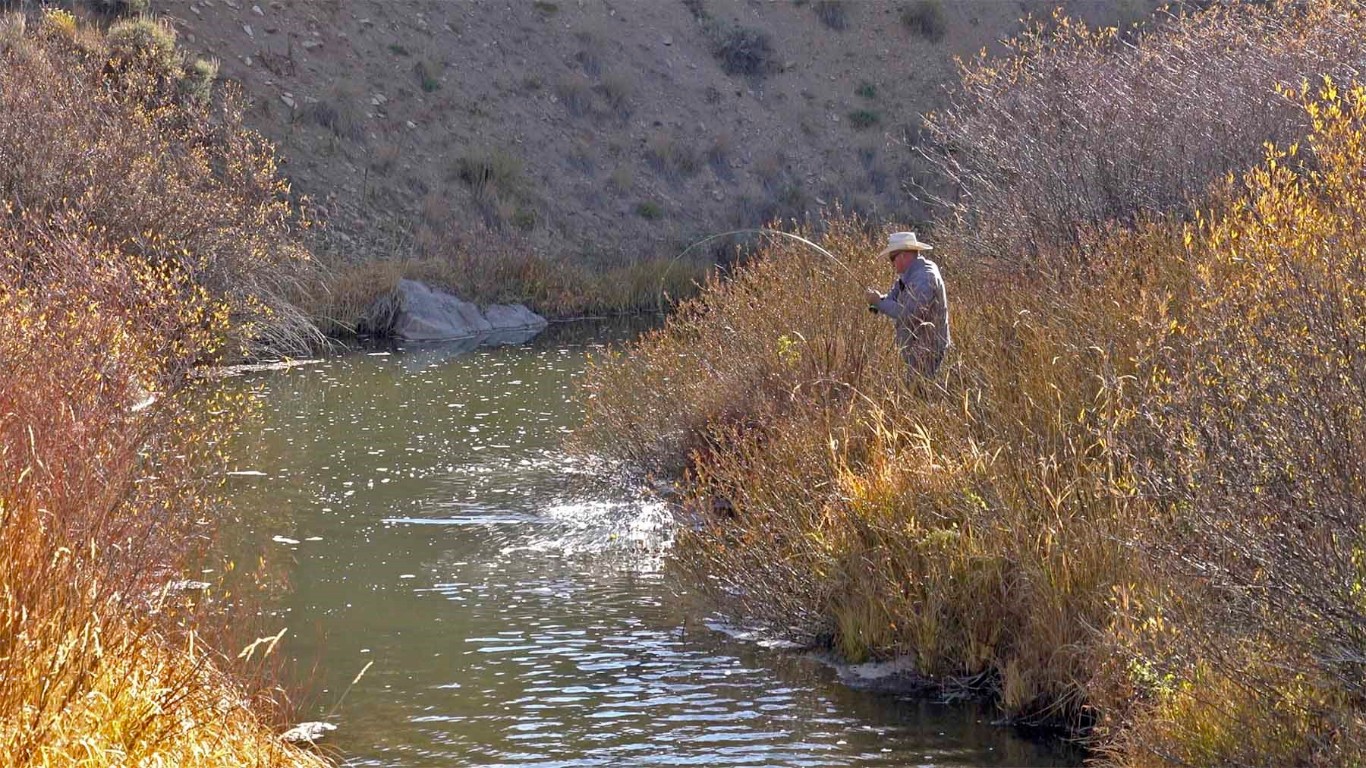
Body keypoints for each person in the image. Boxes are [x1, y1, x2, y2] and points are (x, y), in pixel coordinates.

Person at [864, 231, 951, 378]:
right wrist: (877, 301)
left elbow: (910, 314)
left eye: (892, 257)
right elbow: (893, 297)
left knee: (920, 394)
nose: (891, 263)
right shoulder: (910, 274)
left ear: (904, 255)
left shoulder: (924, 277)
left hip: (928, 351)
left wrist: (879, 302)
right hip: (917, 349)